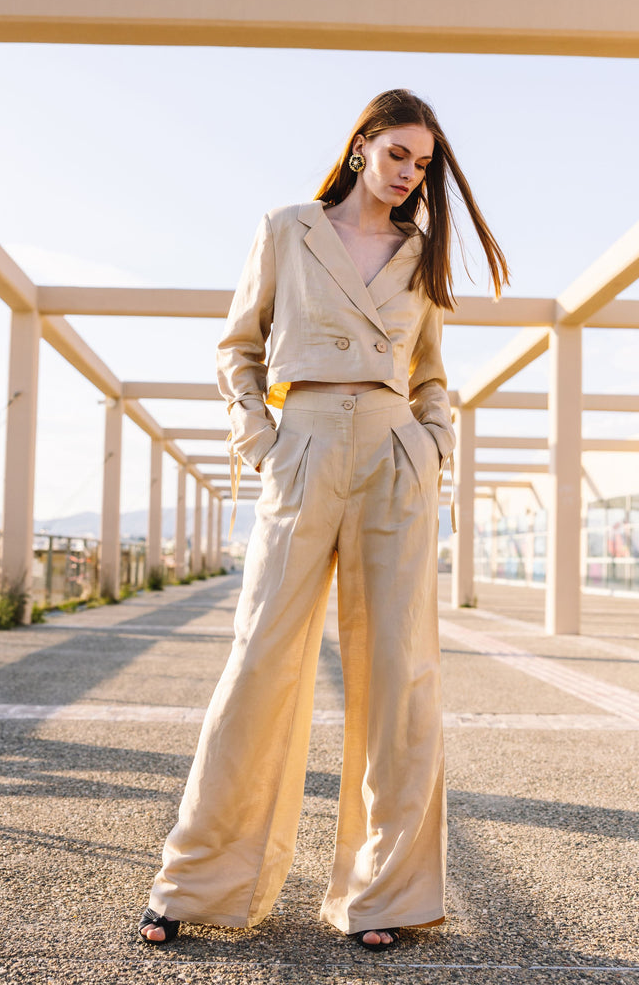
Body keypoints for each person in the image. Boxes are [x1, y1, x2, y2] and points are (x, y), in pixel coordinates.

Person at [139, 88, 508, 951]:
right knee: (258, 660)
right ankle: (196, 883)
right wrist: (261, 441)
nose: (409, 174)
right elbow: (238, 347)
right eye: (398, 155)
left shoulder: (421, 254)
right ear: (361, 147)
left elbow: (429, 374)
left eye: (423, 164)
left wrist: (434, 444)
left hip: (393, 456)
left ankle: (385, 896)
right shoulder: (287, 228)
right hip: (300, 448)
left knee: (400, 673)